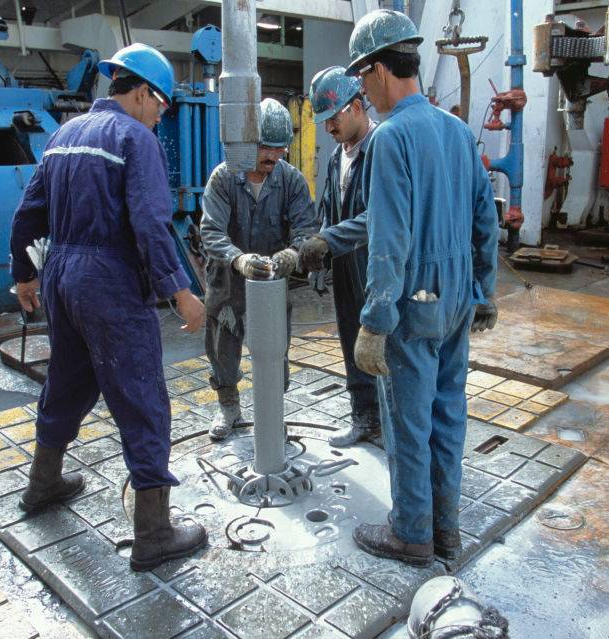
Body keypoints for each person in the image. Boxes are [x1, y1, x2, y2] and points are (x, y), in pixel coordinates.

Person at [9, 43, 207, 572]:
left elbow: (27, 213)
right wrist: (180, 290)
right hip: (109, 280)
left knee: (68, 381)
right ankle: (154, 532)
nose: (159, 116)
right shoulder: (134, 138)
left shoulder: (63, 135)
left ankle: (43, 483)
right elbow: (150, 221)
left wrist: (24, 275)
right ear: (142, 92)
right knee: (141, 395)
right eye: (161, 105)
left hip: (61, 277)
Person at [345, 10, 500, 567]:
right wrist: (485, 289)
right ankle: (447, 529)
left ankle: (412, 533)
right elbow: (487, 218)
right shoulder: (458, 131)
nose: (363, 91)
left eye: (362, 78)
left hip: (413, 304)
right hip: (458, 298)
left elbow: (390, 242)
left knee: (408, 422)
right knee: (449, 415)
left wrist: (374, 321)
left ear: (381, 70)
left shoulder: (391, 139)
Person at [200, 98, 319, 441]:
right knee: (222, 347)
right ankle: (230, 409)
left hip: (271, 284)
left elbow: (306, 229)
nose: (274, 157)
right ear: (249, 142)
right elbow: (211, 231)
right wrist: (238, 259)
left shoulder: (291, 181)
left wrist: (292, 255)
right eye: (267, 148)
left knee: (275, 348)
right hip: (227, 281)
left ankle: (271, 411)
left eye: (281, 149)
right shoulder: (223, 178)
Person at [298, 66, 380, 447]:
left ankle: (391, 425)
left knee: (383, 343)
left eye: (332, 118)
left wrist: (329, 239)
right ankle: (364, 419)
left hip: (379, 266)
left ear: (356, 107)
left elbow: (378, 217)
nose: (328, 127)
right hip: (346, 264)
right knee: (350, 340)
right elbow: (330, 208)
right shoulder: (336, 157)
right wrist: (322, 258)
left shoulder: (382, 148)